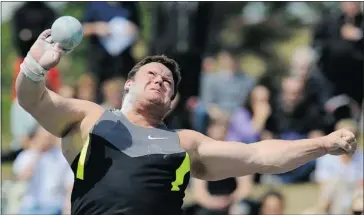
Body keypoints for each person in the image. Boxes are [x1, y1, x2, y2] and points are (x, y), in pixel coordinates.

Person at [16, 29, 357, 215]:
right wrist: (35, 66)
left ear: (172, 100)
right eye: (152, 74)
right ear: (128, 85)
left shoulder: (185, 142)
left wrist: (322, 144)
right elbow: (36, 100)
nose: (161, 81)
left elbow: (259, 156)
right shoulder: (91, 118)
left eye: (168, 82)